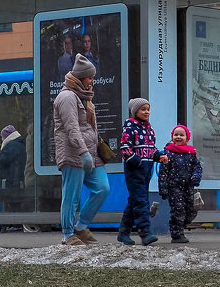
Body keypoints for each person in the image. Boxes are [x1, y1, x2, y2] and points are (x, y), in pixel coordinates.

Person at [52, 53, 109, 246]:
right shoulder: (67, 97)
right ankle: (68, 234)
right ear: (80, 77)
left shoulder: (84, 96)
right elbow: (72, 128)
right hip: (73, 153)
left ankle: (81, 226)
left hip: (91, 153)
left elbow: (88, 128)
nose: (93, 80)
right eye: (90, 77)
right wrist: (83, 152)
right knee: (72, 196)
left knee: (102, 188)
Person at [117, 98, 167, 246]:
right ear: (135, 111)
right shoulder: (129, 127)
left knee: (135, 201)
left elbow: (151, 149)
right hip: (135, 171)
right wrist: (136, 161)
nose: (147, 112)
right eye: (143, 109)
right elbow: (125, 148)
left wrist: (159, 156)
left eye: (148, 109)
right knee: (141, 201)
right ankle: (144, 232)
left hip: (147, 171)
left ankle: (123, 232)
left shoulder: (149, 129)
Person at [158, 124, 202, 244]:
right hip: (174, 187)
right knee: (178, 210)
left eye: (181, 135)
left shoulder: (191, 153)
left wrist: (196, 177)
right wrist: (163, 189)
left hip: (188, 186)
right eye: (176, 135)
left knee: (191, 209)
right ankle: (177, 235)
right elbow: (163, 172)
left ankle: (183, 223)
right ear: (172, 137)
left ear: (187, 138)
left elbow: (197, 167)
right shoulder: (168, 153)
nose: (178, 137)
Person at [0, 124, 25, 231]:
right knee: (15, 203)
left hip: (10, 179)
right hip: (17, 178)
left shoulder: (11, 146)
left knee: (10, 202)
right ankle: (15, 224)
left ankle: (13, 225)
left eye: (2, 137)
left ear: (6, 137)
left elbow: (4, 160)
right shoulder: (19, 144)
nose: (1, 139)